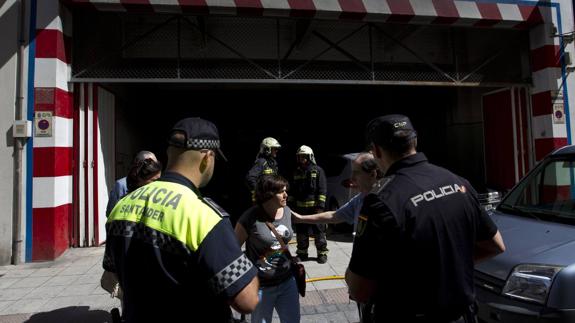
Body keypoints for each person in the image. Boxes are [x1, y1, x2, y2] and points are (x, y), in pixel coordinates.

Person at [345, 114, 506, 323]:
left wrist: (350, 276)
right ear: (415, 141)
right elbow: (495, 245)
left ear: (376, 151)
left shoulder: (382, 201)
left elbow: (359, 289)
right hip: (462, 315)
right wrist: (447, 265)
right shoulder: (458, 182)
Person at [104, 117, 259, 323]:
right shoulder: (204, 216)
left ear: (169, 153)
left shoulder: (122, 206)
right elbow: (247, 301)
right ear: (207, 157)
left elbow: (111, 271)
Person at [235, 175, 300, 323]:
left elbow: (300, 221)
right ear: (268, 195)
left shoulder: (287, 210)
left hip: (287, 282)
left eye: (286, 190)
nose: (286, 195)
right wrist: (244, 283)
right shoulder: (249, 217)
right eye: (281, 192)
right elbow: (233, 251)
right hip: (261, 288)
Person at [292, 152, 382, 233]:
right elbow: (334, 216)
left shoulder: (386, 201)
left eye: (357, 173)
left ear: (373, 174)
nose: (352, 177)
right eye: (352, 172)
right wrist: (300, 218)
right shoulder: (360, 199)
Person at [290, 145, 328, 264]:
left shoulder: (317, 171)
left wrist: (320, 207)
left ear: (310, 157)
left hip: (315, 208)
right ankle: (302, 253)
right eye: (300, 157)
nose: (302, 159)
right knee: (301, 232)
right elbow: (293, 190)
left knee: (319, 231)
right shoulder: (296, 172)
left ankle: (322, 253)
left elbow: (322, 189)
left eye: (304, 157)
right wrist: (291, 205)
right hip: (300, 209)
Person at [105, 150, 159, 216]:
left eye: (154, 164)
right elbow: (110, 212)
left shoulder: (157, 185)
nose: (152, 168)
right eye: (148, 164)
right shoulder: (122, 185)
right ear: (137, 164)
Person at [246, 137, 282, 202]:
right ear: (267, 149)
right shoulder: (261, 162)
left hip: (271, 196)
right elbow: (250, 178)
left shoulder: (273, 163)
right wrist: (258, 193)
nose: (276, 151)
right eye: (274, 148)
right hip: (264, 199)